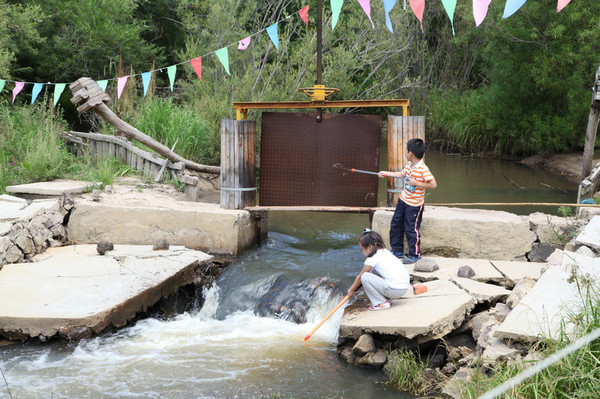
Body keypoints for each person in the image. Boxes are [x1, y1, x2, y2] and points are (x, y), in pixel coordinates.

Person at [378, 138, 437, 264]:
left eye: (406, 150)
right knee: (396, 224)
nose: (405, 152)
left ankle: (414, 255)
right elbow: (402, 174)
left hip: (414, 205)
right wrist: (386, 173)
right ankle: (397, 250)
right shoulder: (409, 165)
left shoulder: (423, 168)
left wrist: (417, 183)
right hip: (403, 200)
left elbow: (433, 184)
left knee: (411, 229)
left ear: (410, 153)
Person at [347, 230, 410, 311]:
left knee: (365, 276)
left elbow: (359, 277)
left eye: (362, 249)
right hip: (403, 288)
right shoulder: (385, 252)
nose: (362, 252)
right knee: (372, 272)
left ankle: (381, 303)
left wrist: (351, 290)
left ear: (370, 247)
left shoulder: (372, 258)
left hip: (395, 290)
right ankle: (385, 298)